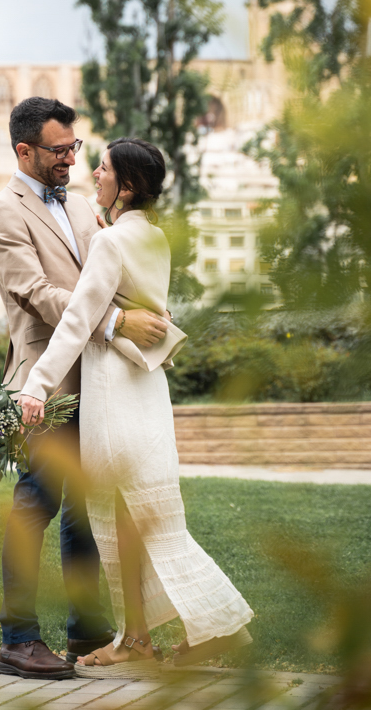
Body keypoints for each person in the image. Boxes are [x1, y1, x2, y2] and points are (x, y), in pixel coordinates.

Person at [19, 137, 254, 679]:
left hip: (113, 391)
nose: (93, 176)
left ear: (125, 186)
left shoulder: (109, 245)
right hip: (147, 389)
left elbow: (77, 321)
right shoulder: (153, 239)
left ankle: (211, 630)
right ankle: (145, 639)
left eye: (101, 169)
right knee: (147, 520)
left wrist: (36, 387)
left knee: (129, 520)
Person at [0, 98, 170, 680]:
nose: (70, 159)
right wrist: (114, 322)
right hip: (46, 382)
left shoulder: (87, 207)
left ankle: (86, 631)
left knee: (85, 512)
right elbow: (36, 293)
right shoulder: (1, 214)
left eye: (75, 148)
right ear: (24, 151)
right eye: (59, 150)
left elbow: (109, 277)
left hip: (102, 383)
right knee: (37, 504)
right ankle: (18, 641)